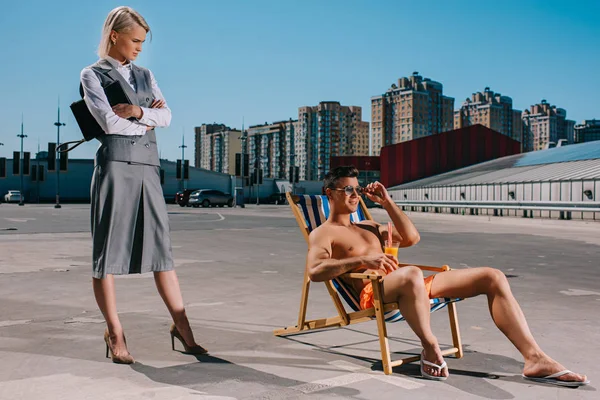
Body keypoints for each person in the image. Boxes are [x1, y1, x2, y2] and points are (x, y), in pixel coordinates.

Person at [306, 166, 588, 386]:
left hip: (409, 283)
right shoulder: (323, 234)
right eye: (347, 190)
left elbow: (411, 238)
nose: (355, 195)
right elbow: (316, 272)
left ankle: (534, 358)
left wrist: (387, 201)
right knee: (412, 273)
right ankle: (430, 347)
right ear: (329, 193)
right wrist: (364, 258)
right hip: (374, 292)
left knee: (493, 276)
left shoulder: (369, 224)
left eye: (357, 190)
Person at [81, 6, 206, 364]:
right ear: (114, 35)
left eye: (143, 42)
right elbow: (106, 122)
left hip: (148, 168)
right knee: (106, 256)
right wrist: (148, 119)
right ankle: (115, 332)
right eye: (135, 40)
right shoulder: (92, 75)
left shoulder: (146, 74)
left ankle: (182, 327)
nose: (139, 47)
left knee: (162, 253)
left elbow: (166, 117)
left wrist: (138, 114)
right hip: (115, 167)